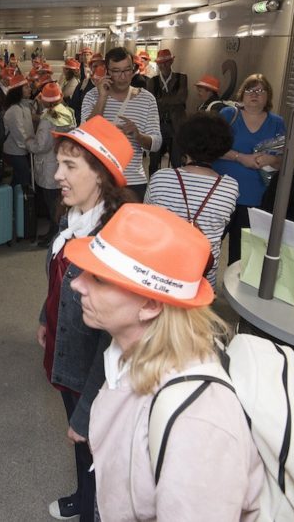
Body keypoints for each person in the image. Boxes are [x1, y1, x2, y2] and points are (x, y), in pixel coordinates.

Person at [67, 204, 263, 520]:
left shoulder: (198, 425)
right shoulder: (128, 350)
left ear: (149, 304)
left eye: (99, 279)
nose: (77, 284)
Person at [38, 116, 134, 522]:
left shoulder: (110, 243)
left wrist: (86, 409)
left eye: (70, 166)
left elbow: (114, 344)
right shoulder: (74, 220)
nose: (57, 174)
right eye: (59, 163)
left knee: (98, 444)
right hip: (68, 355)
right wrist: (46, 316)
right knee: (84, 446)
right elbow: (59, 279)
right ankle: (84, 496)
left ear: (101, 175)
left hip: (95, 374)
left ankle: (95, 511)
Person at [145, 113, 238, 287]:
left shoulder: (161, 178)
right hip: (201, 278)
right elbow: (222, 225)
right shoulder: (230, 187)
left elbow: (148, 222)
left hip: (159, 274)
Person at [213, 73, 286, 265]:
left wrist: (272, 158)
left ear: (268, 96)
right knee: (208, 247)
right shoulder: (229, 115)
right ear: (242, 94)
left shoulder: (277, 122)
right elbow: (211, 147)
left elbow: (284, 157)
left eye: (260, 90)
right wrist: (240, 157)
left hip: (255, 197)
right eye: (250, 90)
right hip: (221, 193)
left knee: (242, 255)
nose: (254, 94)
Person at [82, 47, 162, 199]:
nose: (123, 77)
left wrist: (138, 136)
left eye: (127, 70)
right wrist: (102, 98)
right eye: (116, 71)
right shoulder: (92, 97)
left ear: (133, 70)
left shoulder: (147, 99)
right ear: (107, 72)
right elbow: (86, 135)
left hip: (133, 181)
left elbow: (156, 143)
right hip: (99, 179)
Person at [25, 82, 77, 247]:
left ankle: (54, 236)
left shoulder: (47, 120)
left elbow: (41, 146)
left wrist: (28, 142)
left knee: (52, 205)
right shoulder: (68, 113)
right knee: (61, 203)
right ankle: (59, 233)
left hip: (48, 167)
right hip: (65, 164)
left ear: (45, 101)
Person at [148, 48, 188, 171]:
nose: (164, 65)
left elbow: (181, 99)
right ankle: (153, 185)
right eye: (161, 63)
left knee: (177, 161)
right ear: (158, 64)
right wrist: (171, 100)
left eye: (166, 62)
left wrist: (160, 100)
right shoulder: (152, 81)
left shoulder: (182, 78)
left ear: (171, 62)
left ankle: (177, 186)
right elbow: (151, 101)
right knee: (154, 161)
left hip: (175, 125)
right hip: (157, 125)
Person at [3, 73, 35, 189]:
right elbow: (19, 133)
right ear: (18, 91)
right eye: (26, 87)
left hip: (22, 150)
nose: (30, 89)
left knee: (18, 178)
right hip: (15, 151)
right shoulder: (14, 110)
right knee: (23, 178)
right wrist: (31, 146)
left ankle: (14, 202)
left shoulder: (24, 106)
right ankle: (17, 202)